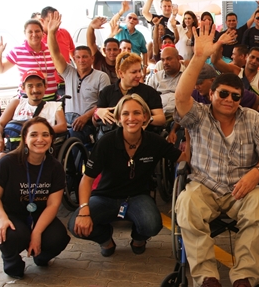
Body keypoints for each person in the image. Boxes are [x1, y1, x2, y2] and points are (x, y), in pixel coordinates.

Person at [174, 23, 259, 287]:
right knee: (186, 204)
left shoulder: (251, 118)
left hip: (241, 189)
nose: (229, 100)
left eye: (235, 95)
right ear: (211, 94)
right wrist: (199, 57)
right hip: (204, 186)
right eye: (222, 94)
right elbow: (181, 98)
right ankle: (207, 279)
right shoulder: (198, 116)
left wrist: (256, 173)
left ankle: (244, 278)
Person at [69, 94, 181, 256]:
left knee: (152, 224)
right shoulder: (106, 142)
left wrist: (190, 135)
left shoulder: (155, 141)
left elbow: (183, 158)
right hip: (104, 196)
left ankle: (138, 239)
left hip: (137, 197)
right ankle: (106, 240)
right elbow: (87, 180)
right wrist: (84, 210)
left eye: (136, 113)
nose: (131, 118)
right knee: (76, 225)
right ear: (119, 119)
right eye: (125, 114)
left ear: (145, 117)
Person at [0, 117, 70, 279]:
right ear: (24, 139)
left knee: (58, 238)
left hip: (38, 216)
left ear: (51, 139)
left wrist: (37, 233)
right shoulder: (7, 162)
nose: (40, 139)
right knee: (11, 236)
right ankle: (11, 259)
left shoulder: (55, 167)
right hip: (9, 215)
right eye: (34, 135)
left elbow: (53, 205)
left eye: (45, 135)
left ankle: (40, 256)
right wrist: (2, 219)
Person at [46, 13, 110, 144]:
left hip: (89, 122)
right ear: (73, 59)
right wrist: (51, 33)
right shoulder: (69, 72)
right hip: (67, 121)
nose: (82, 60)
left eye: (85, 57)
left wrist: (85, 117)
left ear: (92, 58)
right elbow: (55, 54)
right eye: (78, 57)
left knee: (75, 139)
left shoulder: (101, 76)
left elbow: (103, 104)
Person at [0, 70, 67, 154]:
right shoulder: (17, 103)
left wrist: (36, 133)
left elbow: (62, 126)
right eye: (30, 86)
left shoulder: (54, 106)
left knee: (3, 158)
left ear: (45, 86)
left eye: (39, 85)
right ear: (23, 88)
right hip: (15, 147)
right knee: (1, 158)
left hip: (39, 148)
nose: (35, 90)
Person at [96, 52, 166, 131]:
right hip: (113, 138)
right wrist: (98, 113)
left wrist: (146, 119)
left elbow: (161, 119)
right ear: (121, 73)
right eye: (134, 72)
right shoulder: (107, 92)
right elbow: (95, 122)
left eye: (140, 71)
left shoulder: (149, 92)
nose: (139, 75)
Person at [0, 20, 60, 100]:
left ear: (43, 33)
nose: (34, 34)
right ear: (25, 33)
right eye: (30, 32)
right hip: (28, 101)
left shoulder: (51, 50)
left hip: (51, 99)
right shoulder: (18, 51)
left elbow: (62, 70)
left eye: (37, 31)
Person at [212, 41, 259, 111]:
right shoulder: (235, 70)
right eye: (252, 57)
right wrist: (220, 41)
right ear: (246, 57)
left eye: (258, 59)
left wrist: (251, 112)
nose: (254, 61)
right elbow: (215, 61)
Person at [147, 46, 183, 118]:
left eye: (169, 59)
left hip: (181, 117)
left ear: (178, 58)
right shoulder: (156, 77)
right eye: (163, 60)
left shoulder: (188, 75)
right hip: (158, 116)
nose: (165, 62)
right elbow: (147, 98)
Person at [87, 17, 121, 84]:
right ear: (104, 50)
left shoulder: (123, 65)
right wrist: (91, 27)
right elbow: (91, 44)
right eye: (109, 49)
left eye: (115, 49)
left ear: (119, 51)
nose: (112, 52)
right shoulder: (99, 60)